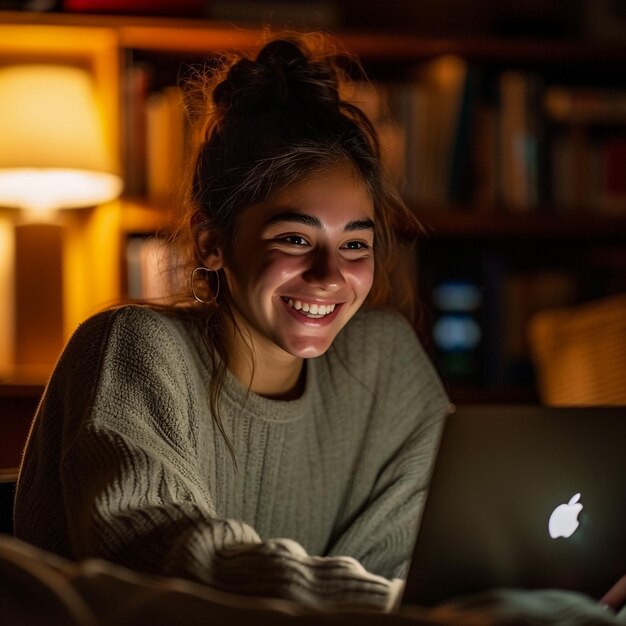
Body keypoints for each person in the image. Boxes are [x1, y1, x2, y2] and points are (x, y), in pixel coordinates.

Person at [13, 35, 449, 611]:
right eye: (295, 238)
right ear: (212, 243)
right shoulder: (133, 347)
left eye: (355, 245)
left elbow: (419, 557)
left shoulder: (386, 360)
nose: (329, 276)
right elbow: (154, 545)